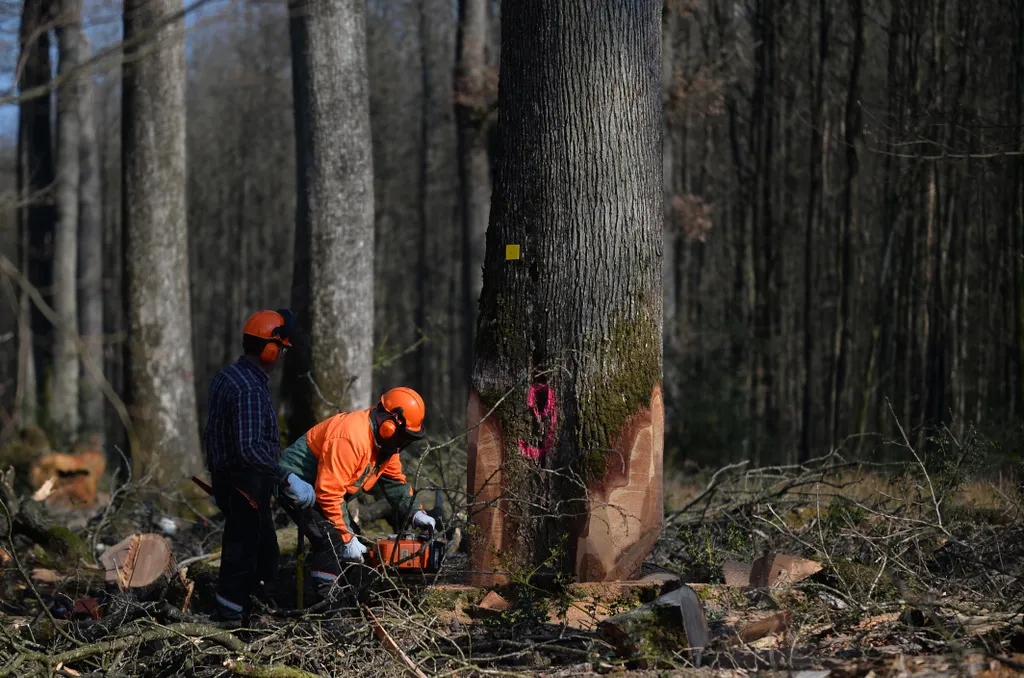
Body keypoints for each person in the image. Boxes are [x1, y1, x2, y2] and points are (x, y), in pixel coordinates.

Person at [203, 309, 317, 622]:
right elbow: (250, 448)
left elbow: (214, 433)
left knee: (265, 554)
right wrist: (286, 478)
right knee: (244, 555)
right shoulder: (250, 388)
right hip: (245, 483)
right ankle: (229, 619)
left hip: (231, 480)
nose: (281, 355)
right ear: (268, 347)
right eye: (280, 348)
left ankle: (251, 610)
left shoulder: (228, 377)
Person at [277, 387, 436, 600]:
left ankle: (347, 596)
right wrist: (346, 537)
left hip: (323, 489)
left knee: (354, 538)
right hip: (296, 483)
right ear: (389, 426)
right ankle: (329, 607)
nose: (403, 444)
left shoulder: (387, 447)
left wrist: (416, 513)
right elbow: (328, 492)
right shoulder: (351, 437)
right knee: (332, 541)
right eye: (404, 436)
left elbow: (395, 484)